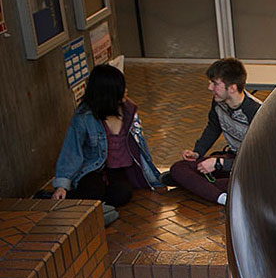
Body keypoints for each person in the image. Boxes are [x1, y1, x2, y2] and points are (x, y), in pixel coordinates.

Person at [52, 64, 162, 224]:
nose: (126, 91)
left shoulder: (129, 110)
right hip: (93, 168)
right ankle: (83, 205)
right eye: (121, 88)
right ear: (108, 93)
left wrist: (152, 176)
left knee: (122, 194)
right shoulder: (84, 117)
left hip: (118, 169)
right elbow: (71, 152)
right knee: (93, 190)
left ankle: (95, 208)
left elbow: (141, 146)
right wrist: (62, 185)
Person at [166, 58, 261, 206]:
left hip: (250, 167)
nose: (210, 87)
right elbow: (213, 127)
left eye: (215, 83)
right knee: (178, 168)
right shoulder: (219, 102)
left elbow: (258, 159)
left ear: (232, 88)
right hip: (231, 159)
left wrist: (220, 164)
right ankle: (219, 194)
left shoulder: (256, 112)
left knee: (241, 184)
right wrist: (198, 152)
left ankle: (206, 188)